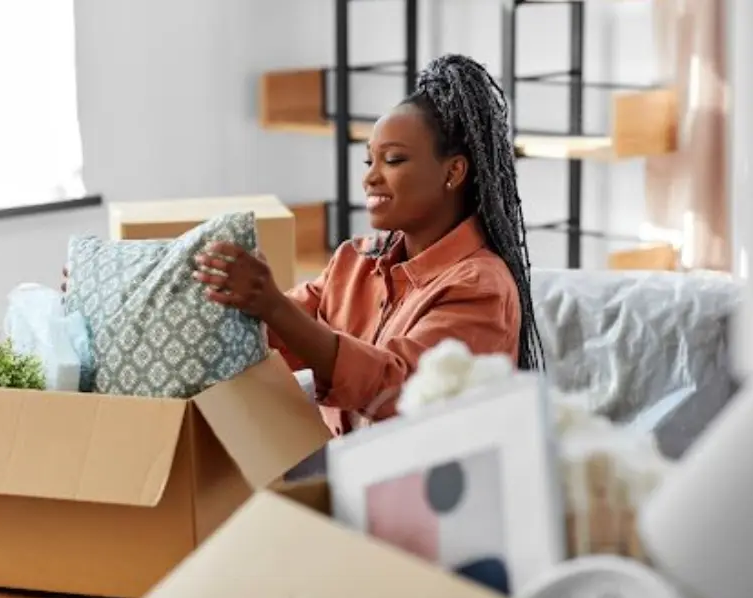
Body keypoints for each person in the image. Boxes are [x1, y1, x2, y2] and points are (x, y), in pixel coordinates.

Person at [194, 54, 544, 436]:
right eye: (368, 162)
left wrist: (273, 306)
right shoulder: (354, 260)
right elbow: (279, 336)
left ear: (453, 172)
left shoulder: (480, 287)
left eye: (393, 160)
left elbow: (398, 389)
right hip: (330, 467)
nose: (371, 179)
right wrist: (232, 302)